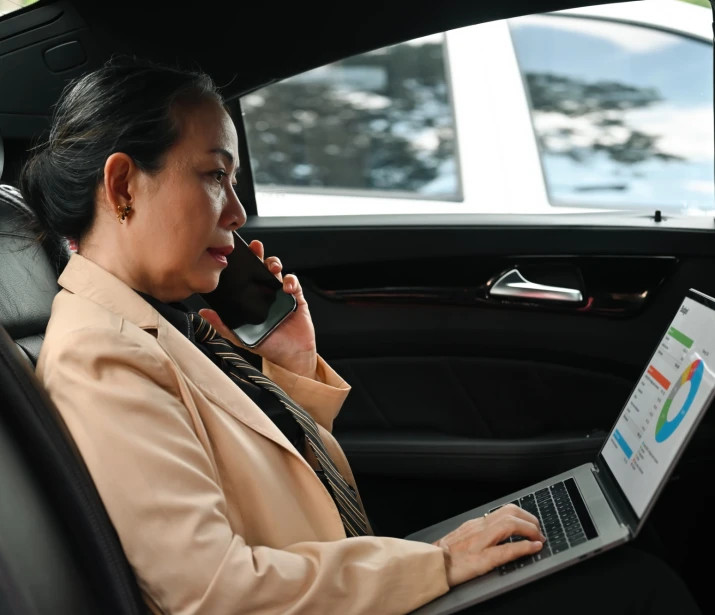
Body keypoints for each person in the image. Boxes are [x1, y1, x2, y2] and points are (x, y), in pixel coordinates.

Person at [20, 56, 701, 615]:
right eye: (213, 176)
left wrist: (289, 363)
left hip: (346, 583)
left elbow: (284, 491)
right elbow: (212, 591)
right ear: (123, 185)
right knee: (641, 588)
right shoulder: (100, 352)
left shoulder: (165, 318)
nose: (238, 209)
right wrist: (437, 562)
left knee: (624, 563)